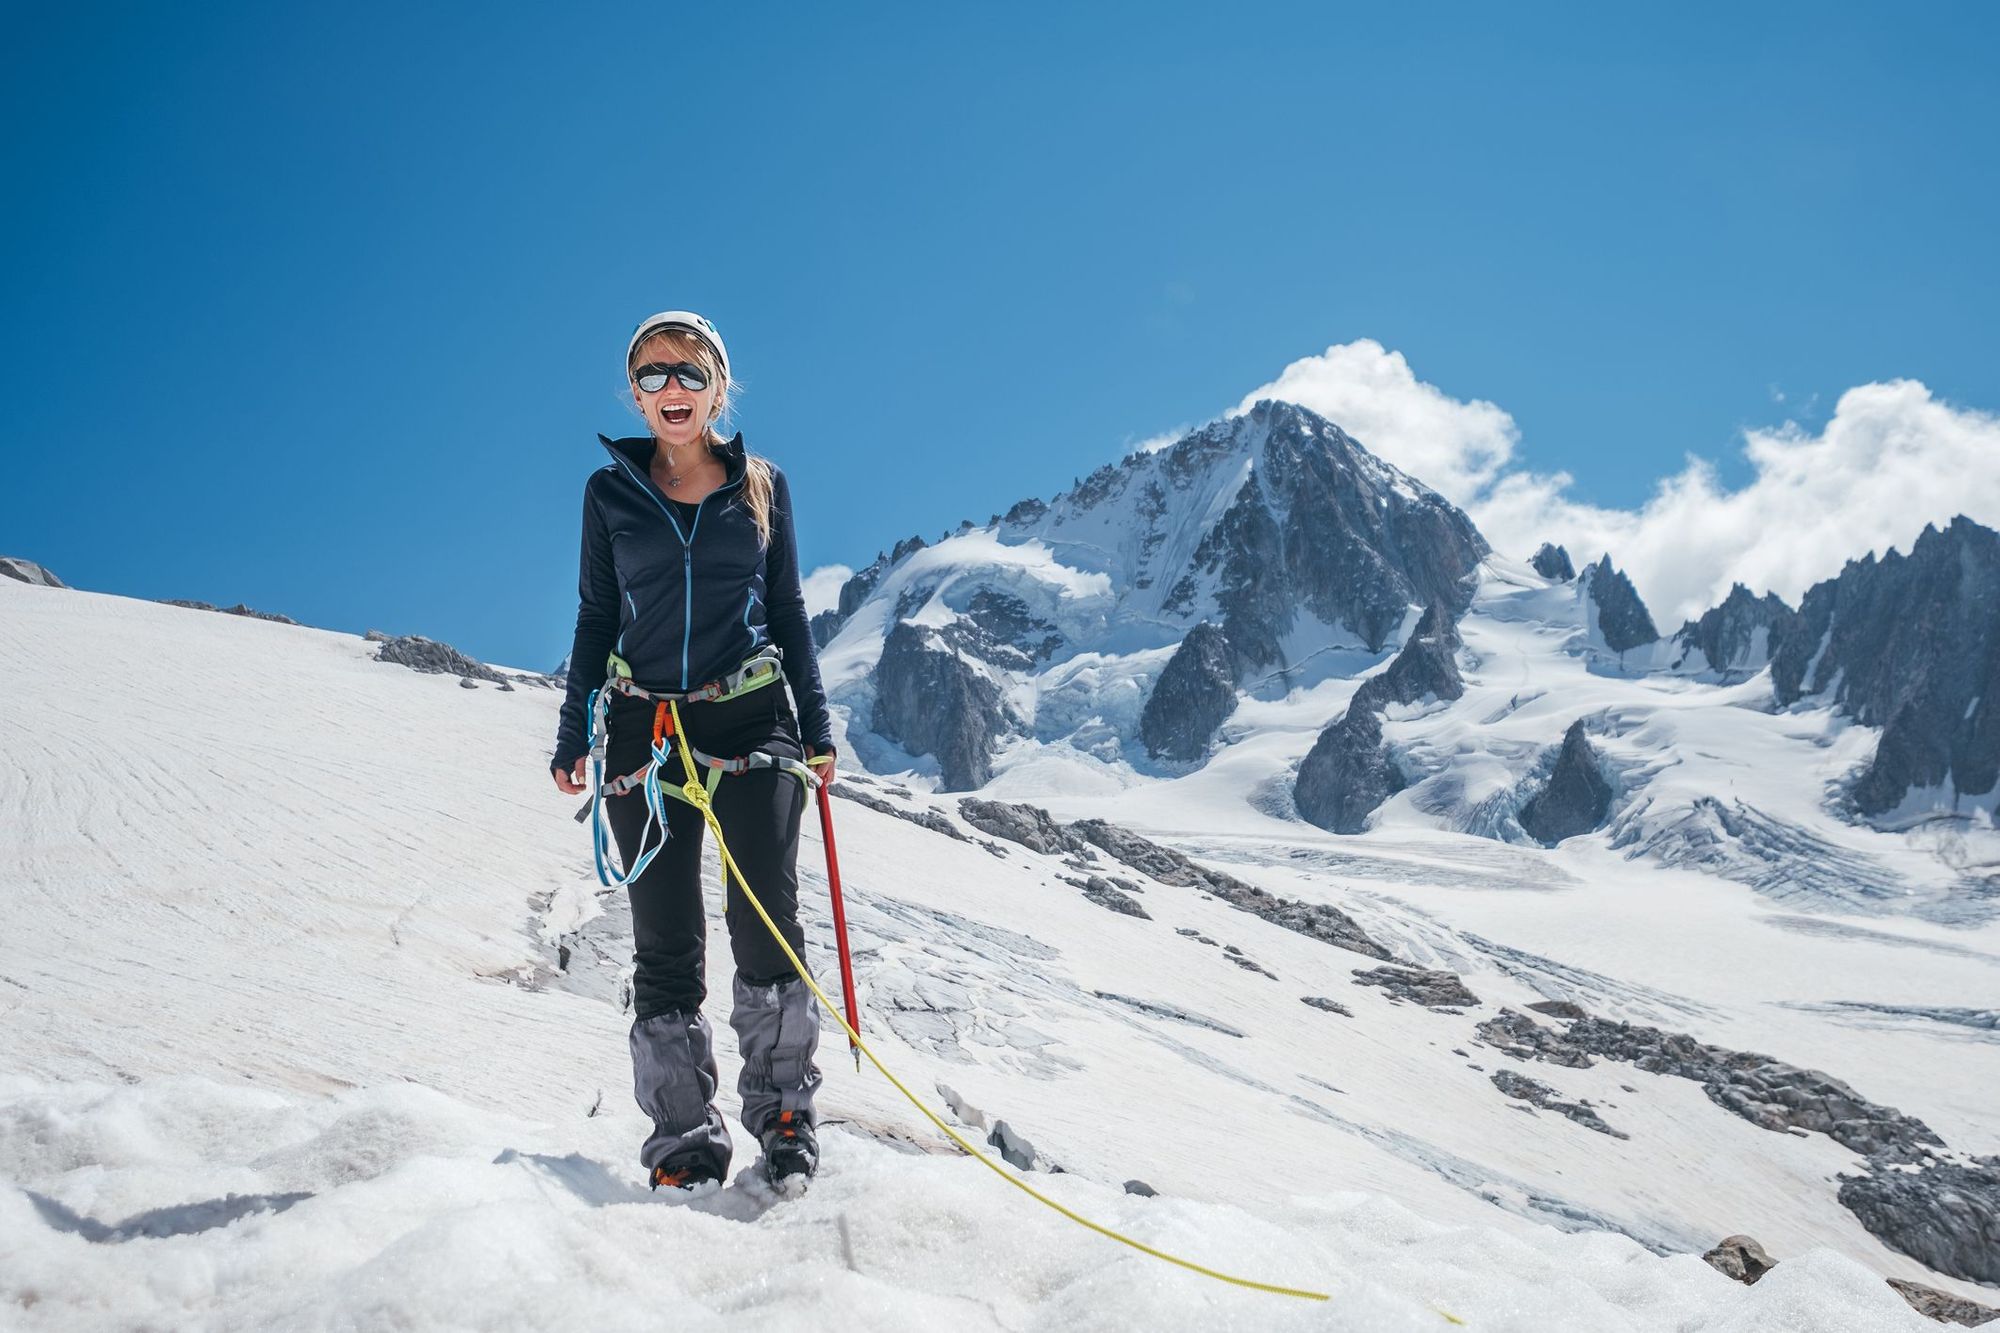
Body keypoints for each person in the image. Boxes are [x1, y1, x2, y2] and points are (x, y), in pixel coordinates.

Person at [550, 309, 837, 1196]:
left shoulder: (763, 485)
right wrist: (573, 729)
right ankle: (682, 1139)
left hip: (752, 720)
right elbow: (598, 617)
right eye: (650, 375)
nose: (669, 389)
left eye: (685, 372)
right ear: (632, 394)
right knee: (666, 942)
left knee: (766, 920)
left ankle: (784, 1117)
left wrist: (818, 728)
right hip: (644, 730)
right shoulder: (609, 494)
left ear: (719, 385)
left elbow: (786, 613)